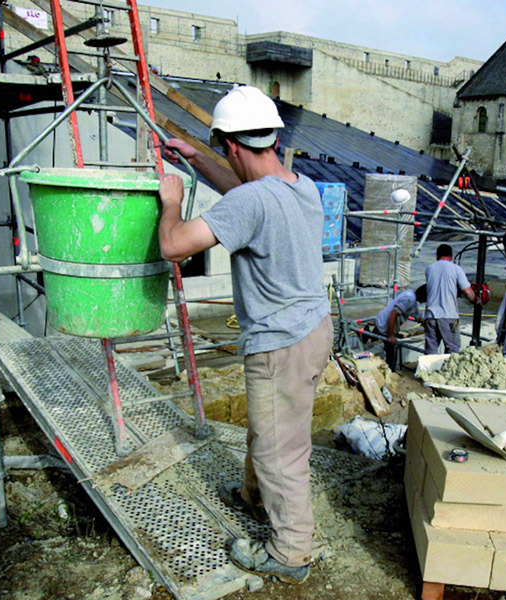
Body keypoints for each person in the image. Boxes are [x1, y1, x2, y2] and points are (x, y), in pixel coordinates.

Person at [156, 85, 331, 586]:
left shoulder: (251, 202)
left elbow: (173, 245)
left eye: (221, 151)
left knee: (282, 449)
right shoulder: (301, 186)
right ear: (271, 138)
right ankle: (257, 497)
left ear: (232, 146)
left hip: (280, 344)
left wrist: (171, 200)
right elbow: (246, 195)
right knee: (271, 426)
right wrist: (196, 160)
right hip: (313, 329)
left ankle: (290, 552)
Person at [424, 243, 480, 354]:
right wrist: (476, 300)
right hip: (448, 315)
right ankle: (447, 371)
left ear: (437, 256)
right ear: (451, 257)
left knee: (430, 351)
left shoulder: (429, 269)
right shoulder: (456, 269)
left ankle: (428, 370)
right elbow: (467, 291)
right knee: (453, 348)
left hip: (430, 315)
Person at [374, 284, 426, 371]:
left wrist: (426, 324)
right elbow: (393, 315)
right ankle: (390, 371)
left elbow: (418, 314)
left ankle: (368, 333)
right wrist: (391, 335)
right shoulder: (410, 299)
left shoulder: (412, 297)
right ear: (423, 296)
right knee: (391, 351)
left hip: (382, 320)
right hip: (385, 324)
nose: (425, 301)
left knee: (378, 335)